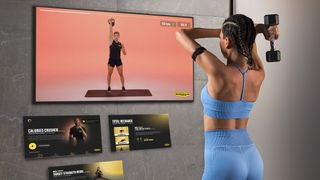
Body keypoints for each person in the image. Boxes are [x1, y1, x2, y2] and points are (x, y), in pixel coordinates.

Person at [176, 14, 279, 180]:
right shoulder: (259, 73)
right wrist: (255, 30)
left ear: (227, 41)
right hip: (252, 157)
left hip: (223, 159)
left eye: (221, 38)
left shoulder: (218, 72)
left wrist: (222, 31)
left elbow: (181, 33)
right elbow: (249, 45)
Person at [107, 18, 127, 92]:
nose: (116, 36)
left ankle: (123, 86)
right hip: (111, 60)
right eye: (114, 35)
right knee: (109, 74)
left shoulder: (121, 44)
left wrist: (123, 49)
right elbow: (110, 31)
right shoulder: (111, 41)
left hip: (118, 60)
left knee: (121, 74)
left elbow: (125, 54)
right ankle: (109, 87)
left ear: (119, 36)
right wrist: (110, 24)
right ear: (113, 36)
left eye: (117, 35)